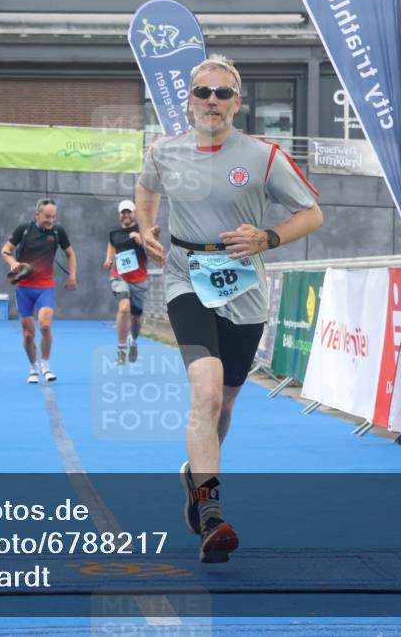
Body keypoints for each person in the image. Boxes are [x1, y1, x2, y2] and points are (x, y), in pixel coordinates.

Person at [134, 54, 323, 563]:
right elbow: (146, 190)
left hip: (244, 288)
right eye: (203, 93)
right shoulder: (164, 150)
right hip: (185, 278)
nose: (212, 102)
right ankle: (211, 514)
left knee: (226, 403)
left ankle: (193, 474)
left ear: (238, 102)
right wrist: (145, 227)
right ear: (189, 101)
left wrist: (268, 236)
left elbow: (312, 213)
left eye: (222, 94)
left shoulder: (263, 156)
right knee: (207, 392)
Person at [0, 199, 77, 384]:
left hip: (45, 287)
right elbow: (5, 250)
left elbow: (70, 253)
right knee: (28, 334)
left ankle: (46, 365)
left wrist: (72, 276)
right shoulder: (24, 229)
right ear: (37, 215)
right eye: (47, 216)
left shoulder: (58, 232)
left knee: (45, 325)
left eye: (53, 216)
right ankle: (33, 367)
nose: (51, 220)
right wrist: (13, 263)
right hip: (24, 289)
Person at [103, 199, 149, 365]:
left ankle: (133, 342)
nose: (126, 215)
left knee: (136, 319)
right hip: (120, 276)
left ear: (134, 213)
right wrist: (108, 260)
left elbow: (151, 250)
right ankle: (121, 350)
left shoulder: (142, 230)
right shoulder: (114, 232)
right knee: (123, 309)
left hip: (140, 279)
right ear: (119, 215)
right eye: (123, 212)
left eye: (129, 212)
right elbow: (112, 246)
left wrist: (140, 239)